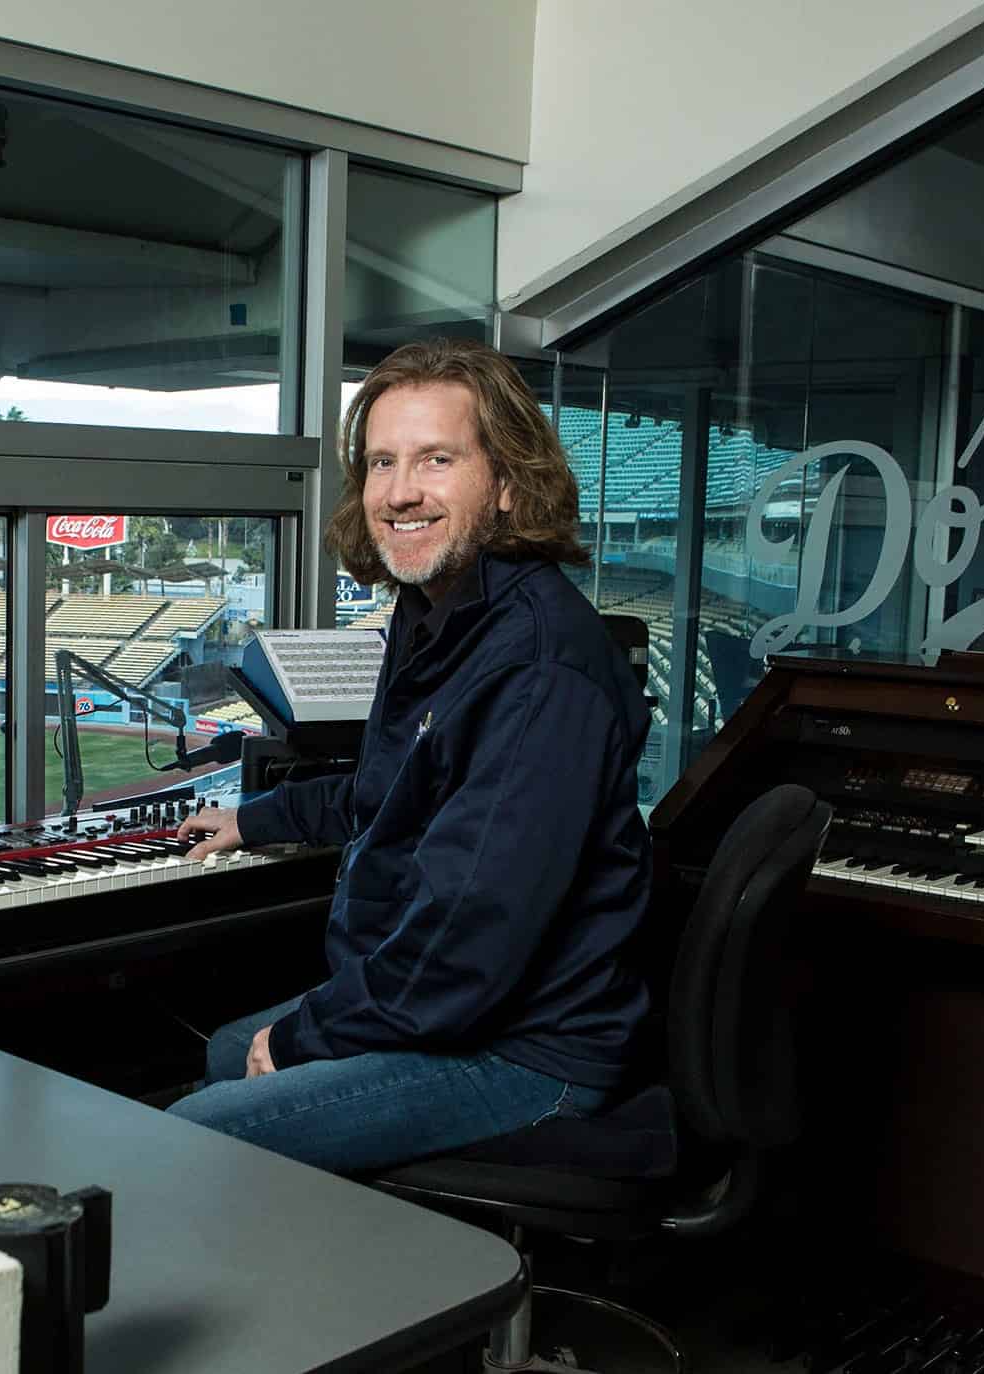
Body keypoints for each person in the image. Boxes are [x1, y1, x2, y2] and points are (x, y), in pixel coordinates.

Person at [167, 337, 654, 1174]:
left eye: (437, 459)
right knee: (224, 1052)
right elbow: (389, 792)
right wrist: (254, 818)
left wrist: (308, 1035)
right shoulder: (438, 615)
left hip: (525, 1052)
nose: (399, 492)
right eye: (382, 462)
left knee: (185, 1137)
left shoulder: (538, 666)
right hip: (455, 1005)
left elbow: (468, 942)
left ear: (506, 482)